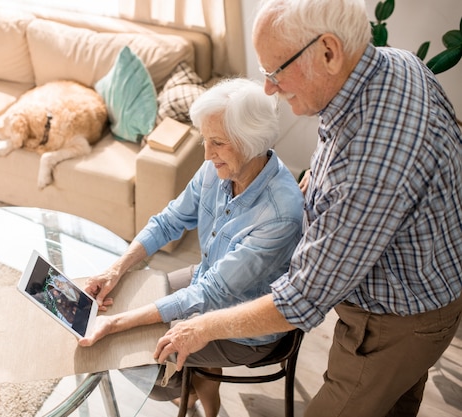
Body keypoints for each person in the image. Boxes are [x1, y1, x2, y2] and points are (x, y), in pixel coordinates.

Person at [154, 1, 462, 416]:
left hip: (397, 319)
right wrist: (315, 186)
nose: (268, 88)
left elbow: (300, 301)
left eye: (275, 71)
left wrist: (202, 327)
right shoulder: (392, 65)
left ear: (328, 52)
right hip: (429, 280)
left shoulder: (371, 161)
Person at [78, 78, 304, 416]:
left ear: (251, 142)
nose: (207, 153)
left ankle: (190, 390)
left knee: (125, 347)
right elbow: (169, 221)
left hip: (248, 329)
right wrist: (117, 268)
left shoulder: (279, 213)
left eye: (218, 143)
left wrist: (118, 326)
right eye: (205, 140)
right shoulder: (218, 168)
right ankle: (206, 399)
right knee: (121, 302)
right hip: (206, 283)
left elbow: (208, 295)